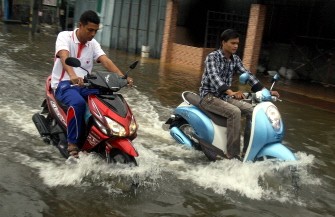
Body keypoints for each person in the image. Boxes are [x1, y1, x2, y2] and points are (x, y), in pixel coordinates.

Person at [51, 10, 133, 158]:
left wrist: (122, 77)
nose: (93, 34)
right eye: (90, 30)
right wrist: (73, 75)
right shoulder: (64, 36)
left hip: (85, 85)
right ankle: (72, 144)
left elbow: (105, 60)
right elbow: (64, 56)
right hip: (64, 84)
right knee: (78, 104)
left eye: (96, 31)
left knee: (107, 97)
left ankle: (102, 134)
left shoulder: (92, 44)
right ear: (80, 25)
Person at [199, 29, 279, 160]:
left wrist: (265, 91)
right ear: (223, 43)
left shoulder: (235, 59)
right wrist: (230, 92)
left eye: (237, 43)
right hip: (209, 97)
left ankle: (247, 153)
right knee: (234, 112)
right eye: (232, 43)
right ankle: (232, 155)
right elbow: (214, 77)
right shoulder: (212, 57)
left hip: (224, 97)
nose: (236, 46)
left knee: (253, 111)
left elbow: (248, 76)